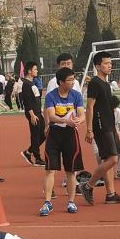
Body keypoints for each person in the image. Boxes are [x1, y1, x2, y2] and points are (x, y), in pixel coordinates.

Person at [82, 52, 120, 205]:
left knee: (108, 159)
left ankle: (111, 194)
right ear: (98, 66)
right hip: (101, 126)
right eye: (106, 63)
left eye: (110, 63)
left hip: (109, 125)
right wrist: (89, 129)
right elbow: (89, 107)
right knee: (113, 159)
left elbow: (109, 109)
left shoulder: (106, 84)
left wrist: (116, 130)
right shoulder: (95, 83)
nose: (110, 66)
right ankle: (88, 186)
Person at [40, 67, 86, 216]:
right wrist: (66, 121)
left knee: (71, 170)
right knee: (50, 169)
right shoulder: (51, 96)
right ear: (61, 82)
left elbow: (82, 114)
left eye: (73, 79)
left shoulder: (76, 95)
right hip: (54, 134)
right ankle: (47, 202)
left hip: (70, 135)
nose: (73, 82)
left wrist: (79, 120)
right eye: (70, 80)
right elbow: (51, 115)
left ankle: (71, 201)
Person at [19, 61, 45, 167]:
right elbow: (26, 101)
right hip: (33, 113)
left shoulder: (33, 82)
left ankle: (28, 152)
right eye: (35, 69)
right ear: (29, 71)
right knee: (35, 135)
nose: (37, 71)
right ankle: (37, 158)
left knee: (44, 134)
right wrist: (32, 115)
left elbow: (36, 98)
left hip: (38, 112)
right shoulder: (26, 84)